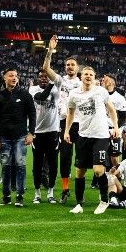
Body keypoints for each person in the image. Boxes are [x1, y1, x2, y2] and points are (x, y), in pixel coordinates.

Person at [65, 66, 120, 215]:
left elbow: (112, 109)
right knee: (79, 171)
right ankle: (79, 203)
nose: (88, 76)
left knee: (98, 170)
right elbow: (70, 113)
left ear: (94, 77)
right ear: (81, 76)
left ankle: (104, 200)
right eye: (85, 74)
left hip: (101, 136)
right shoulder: (74, 94)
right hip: (83, 136)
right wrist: (66, 131)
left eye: (91, 74)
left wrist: (115, 126)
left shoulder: (101, 91)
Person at [42, 35, 82, 204]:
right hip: (64, 123)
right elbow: (45, 68)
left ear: (78, 68)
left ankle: (80, 192)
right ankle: (65, 190)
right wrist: (50, 50)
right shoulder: (60, 81)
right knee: (64, 157)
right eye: (67, 65)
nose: (69, 67)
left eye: (72, 64)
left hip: (81, 124)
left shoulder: (84, 82)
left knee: (81, 159)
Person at [0, 68, 36, 207]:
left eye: (16, 76)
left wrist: (31, 133)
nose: (14, 78)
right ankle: (6, 196)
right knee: (6, 166)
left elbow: (32, 114)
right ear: (4, 78)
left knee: (21, 165)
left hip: (21, 137)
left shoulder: (25, 95)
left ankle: (20, 196)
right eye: (11, 75)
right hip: (4, 138)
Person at [29, 69, 60, 204]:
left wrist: (53, 81)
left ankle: (50, 192)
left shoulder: (57, 86)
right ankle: (37, 193)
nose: (43, 78)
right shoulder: (33, 89)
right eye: (41, 77)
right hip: (38, 132)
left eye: (46, 76)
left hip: (53, 131)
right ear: (37, 79)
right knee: (37, 164)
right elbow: (42, 97)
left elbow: (56, 80)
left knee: (53, 164)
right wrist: (51, 83)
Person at [96, 73, 126, 187]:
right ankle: (101, 181)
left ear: (112, 83)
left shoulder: (119, 98)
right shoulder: (98, 94)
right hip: (100, 130)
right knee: (101, 156)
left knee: (114, 158)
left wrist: (116, 129)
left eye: (106, 79)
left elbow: (122, 117)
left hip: (113, 130)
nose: (103, 80)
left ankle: (118, 177)